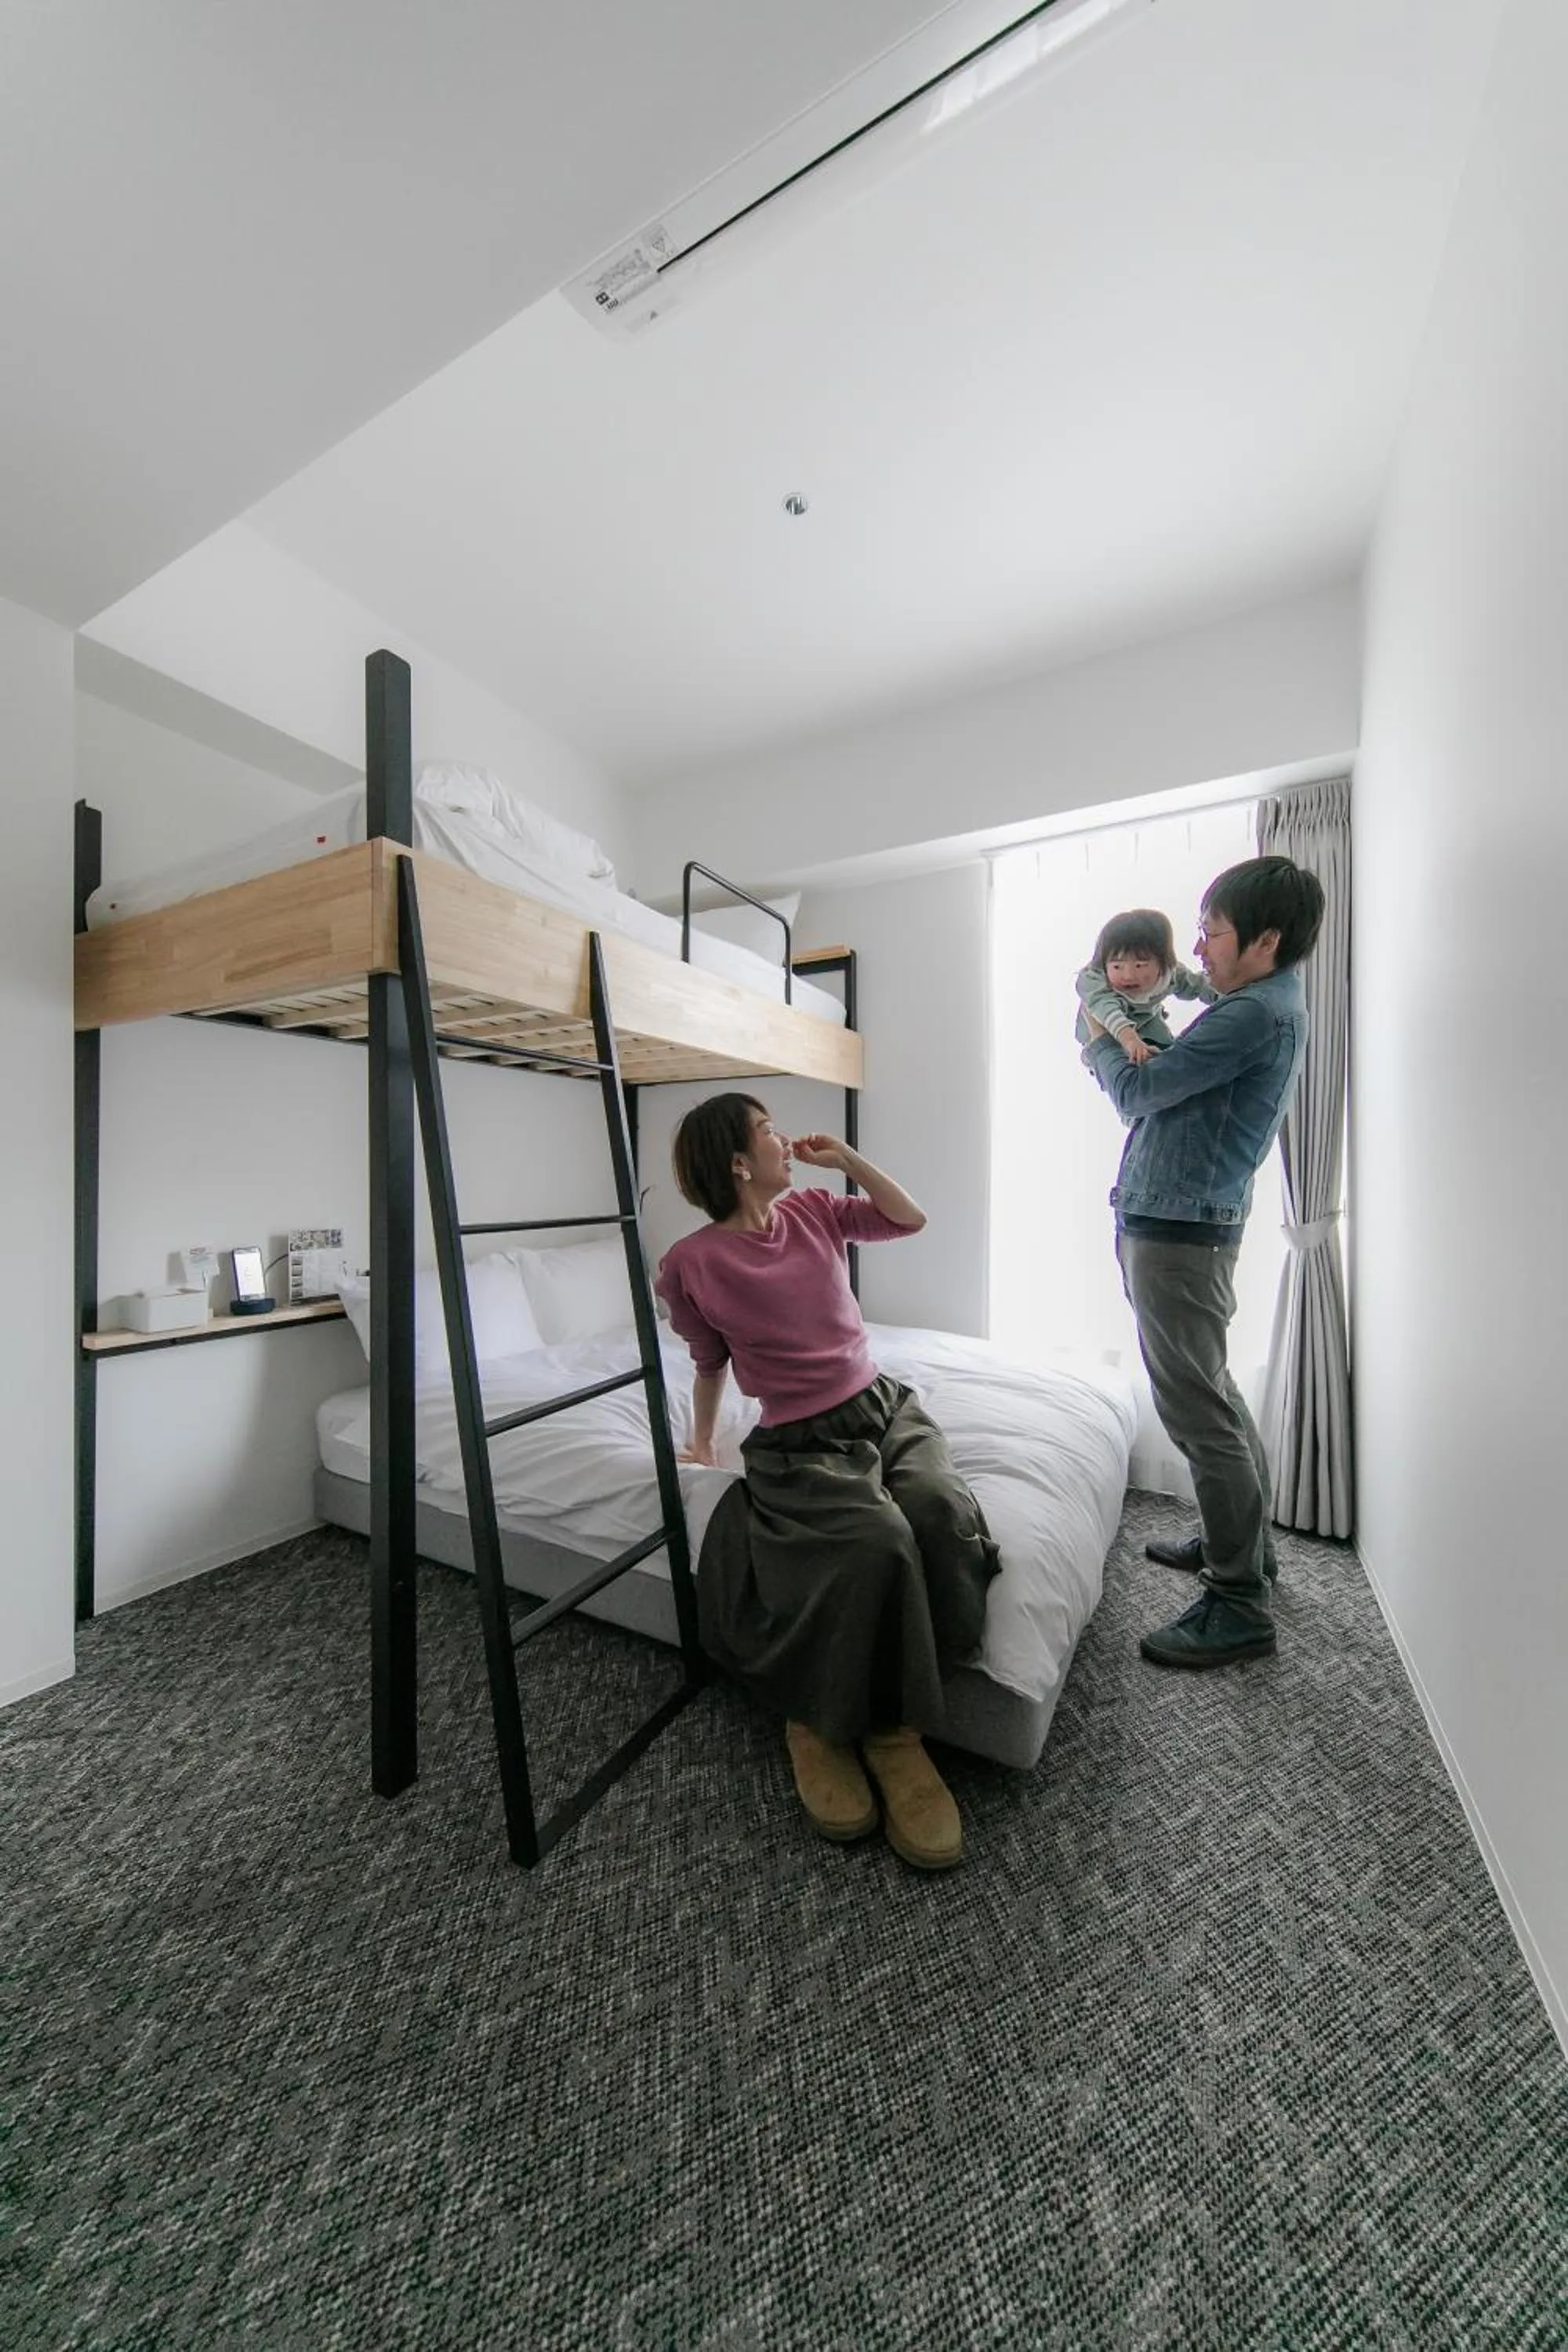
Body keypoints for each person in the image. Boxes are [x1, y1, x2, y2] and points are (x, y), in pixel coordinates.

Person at [655, 1095, 1000, 1871]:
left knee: (939, 1515)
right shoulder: (690, 1264)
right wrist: (703, 1440)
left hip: (880, 1407)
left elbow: (908, 1220)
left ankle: (894, 1715)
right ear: (739, 1162)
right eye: (766, 1130)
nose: (783, 1138)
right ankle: (846, 1726)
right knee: (874, 1542)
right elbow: (708, 1361)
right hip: (799, 1440)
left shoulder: (814, 1208)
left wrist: (845, 1160)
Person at [1079, 855, 1324, 1670]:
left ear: (1264, 939)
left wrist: (1096, 1048)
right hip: (1185, 1223)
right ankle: (1244, 1551)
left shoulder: (1251, 1014)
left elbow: (1140, 1095)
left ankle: (1236, 1601)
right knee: (1212, 1394)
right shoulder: (1261, 1002)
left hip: (1178, 1234)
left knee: (1196, 1412)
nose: (1199, 946)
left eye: (1212, 931)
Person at [1074, 909, 1219, 1067]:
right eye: (1117, 967)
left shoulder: (1170, 974)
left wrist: (1225, 996)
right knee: (1123, 1060)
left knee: (1169, 1054)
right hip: (1105, 1030)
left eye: (1140, 965)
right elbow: (1107, 1010)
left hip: (1148, 1023)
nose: (1128, 975)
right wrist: (1130, 1040)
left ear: (1163, 963)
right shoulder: (1094, 981)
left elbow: (1198, 985)